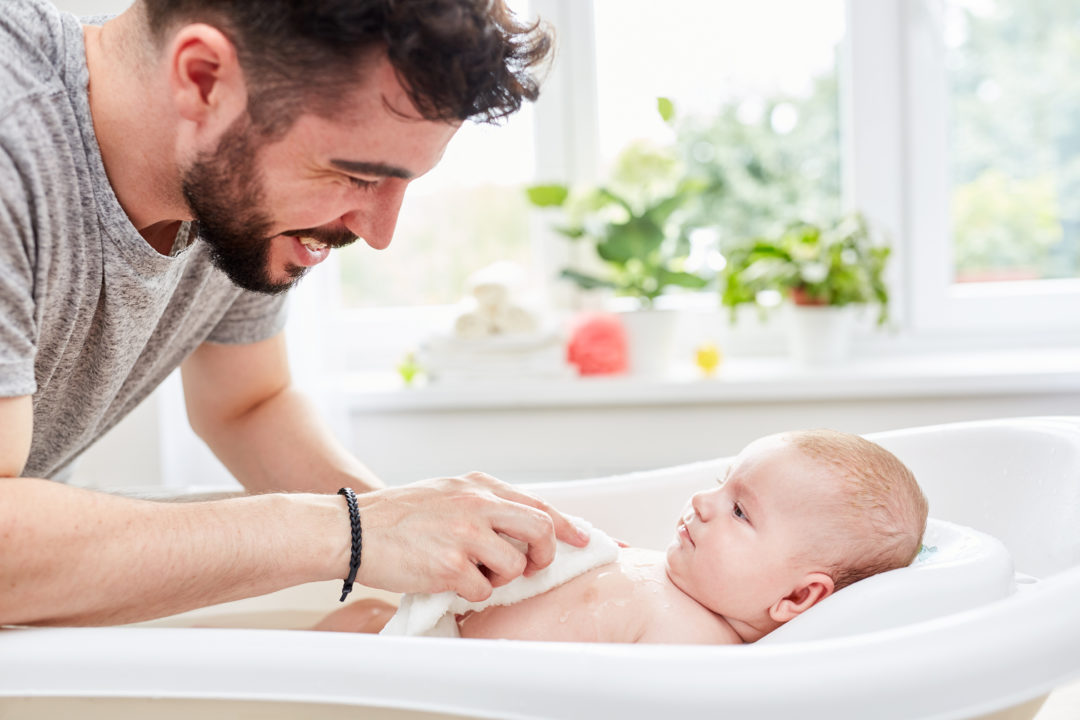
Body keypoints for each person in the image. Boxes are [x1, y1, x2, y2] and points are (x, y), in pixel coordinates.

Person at [0, 0, 591, 628]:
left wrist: (425, 542)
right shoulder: (15, 141)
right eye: (356, 175)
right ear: (203, 79)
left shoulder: (226, 190)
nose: (379, 231)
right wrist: (354, 531)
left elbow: (247, 406)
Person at [312, 430, 930, 643]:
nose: (703, 502)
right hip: (431, 638)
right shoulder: (687, 583)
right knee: (362, 614)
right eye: (720, 483)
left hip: (440, 685)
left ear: (797, 599)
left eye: (740, 512)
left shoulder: (697, 651)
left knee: (350, 638)